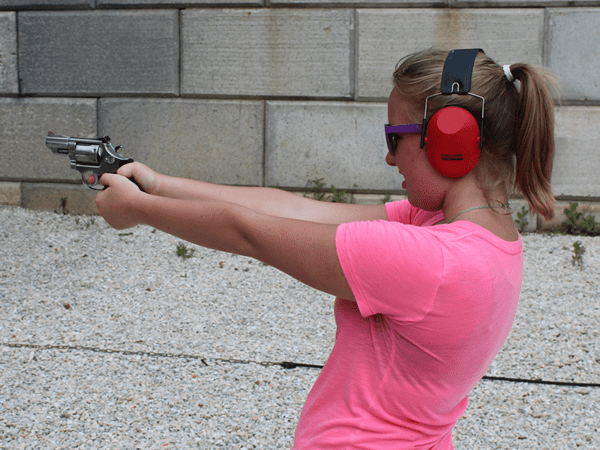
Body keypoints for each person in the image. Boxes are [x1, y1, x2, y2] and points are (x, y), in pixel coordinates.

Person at [95, 48, 559, 449]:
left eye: (395, 137)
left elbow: (248, 232)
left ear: (450, 139)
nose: (389, 157)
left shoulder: (429, 260)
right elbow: (302, 211)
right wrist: (158, 185)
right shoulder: (480, 241)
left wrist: (139, 211)